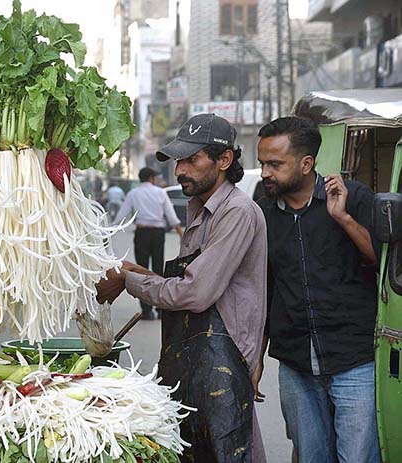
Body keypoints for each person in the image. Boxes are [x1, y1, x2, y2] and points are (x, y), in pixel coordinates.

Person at [97, 113, 268, 463]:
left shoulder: (237, 211)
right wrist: (136, 271)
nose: (179, 171)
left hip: (225, 364)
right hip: (196, 361)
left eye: (191, 160)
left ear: (224, 160)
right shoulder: (199, 209)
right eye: (178, 161)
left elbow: (195, 293)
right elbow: (187, 280)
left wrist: (129, 281)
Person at [256, 116, 381, 463]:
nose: (265, 172)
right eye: (262, 163)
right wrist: (256, 360)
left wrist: (342, 218)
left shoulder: (352, 197)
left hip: (354, 360)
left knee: (358, 457)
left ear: (306, 163)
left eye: (274, 164)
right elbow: (265, 289)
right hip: (296, 364)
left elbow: (380, 262)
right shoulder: (264, 213)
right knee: (311, 457)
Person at [114, 166, 183, 320]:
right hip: (158, 234)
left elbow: (122, 214)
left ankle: (146, 310)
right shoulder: (160, 193)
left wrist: (110, 231)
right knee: (158, 269)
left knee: (141, 270)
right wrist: (180, 234)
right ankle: (160, 308)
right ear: (152, 178)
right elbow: (171, 216)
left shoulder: (133, 193)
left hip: (142, 233)